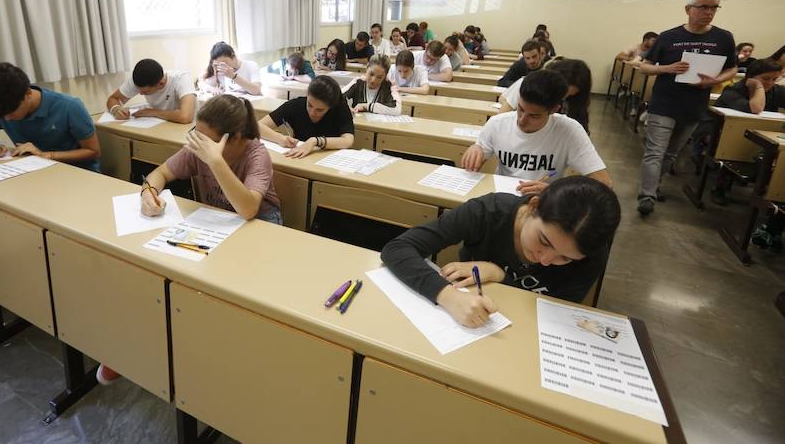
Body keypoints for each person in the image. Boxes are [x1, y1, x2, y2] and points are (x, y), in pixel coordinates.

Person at [97, 94, 281, 386]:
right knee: (156, 271)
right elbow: (161, 173)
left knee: (212, 293)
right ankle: (130, 347)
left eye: (204, 140)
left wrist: (215, 161)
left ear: (232, 139)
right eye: (196, 135)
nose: (197, 143)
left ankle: (200, 357)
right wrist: (148, 192)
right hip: (215, 224)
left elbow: (248, 209)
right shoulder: (199, 148)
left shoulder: (256, 154)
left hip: (258, 229)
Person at [380, 176, 621, 327]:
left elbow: (555, 316)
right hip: (459, 318)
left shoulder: (592, 256)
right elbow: (397, 248)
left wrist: (500, 275)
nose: (546, 260)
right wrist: (447, 296)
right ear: (533, 205)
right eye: (544, 240)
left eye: (565, 258)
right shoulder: (488, 212)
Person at [635, 0, 737, 217]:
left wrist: (717, 79)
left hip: (694, 106)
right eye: (703, 7)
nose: (709, 12)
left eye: (713, 8)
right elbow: (644, 66)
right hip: (664, 102)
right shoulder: (669, 36)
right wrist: (667, 68)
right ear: (688, 8)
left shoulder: (723, 37)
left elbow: (733, 68)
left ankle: (652, 186)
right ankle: (647, 195)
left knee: (671, 154)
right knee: (655, 151)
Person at [460, 70, 611, 195]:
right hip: (501, 200)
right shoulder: (497, 123)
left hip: (543, 204)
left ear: (553, 110)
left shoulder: (569, 130)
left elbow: (604, 183)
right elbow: (478, 155)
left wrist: (553, 191)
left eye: (534, 116)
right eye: (520, 109)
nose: (522, 120)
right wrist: (477, 148)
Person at [0, 63, 100, 171]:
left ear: (27, 94)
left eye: (11, 112)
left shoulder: (69, 106)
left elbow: (93, 152)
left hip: (76, 173)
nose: (6, 119)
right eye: (2, 115)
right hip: (30, 172)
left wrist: (47, 155)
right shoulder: (2, 107)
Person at [710, 59, 785, 205]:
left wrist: (762, 83)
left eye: (774, 79)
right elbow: (756, 108)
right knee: (737, 147)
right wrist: (758, 86)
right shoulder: (733, 90)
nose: (770, 83)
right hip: (723, 134)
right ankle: (719, 188)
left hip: (758, 136)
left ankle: (768, 191)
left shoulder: (775, 90)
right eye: (765, 78)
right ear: (750, 77)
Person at [257, 75, 355, 158]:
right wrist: (280, 139)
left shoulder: (340, 107)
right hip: (299, 157)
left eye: (320, 110)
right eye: (310, 105)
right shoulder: (296, 105)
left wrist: (315, 141)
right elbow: (257, 126)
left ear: (331, 106)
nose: (312, 112)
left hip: (330, 157)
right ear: (307, 95)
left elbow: (348, 140)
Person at [498, 57, 592, 132]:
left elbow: (581, 131)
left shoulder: (576, 103)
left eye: (568, 95)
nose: (561, 98)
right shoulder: (529, 84)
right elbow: (500, 119)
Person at [105, 58, 196, 124]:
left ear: (160, 84)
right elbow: (113, 98)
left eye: (145, 92)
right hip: (159, 123)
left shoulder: (182, 79)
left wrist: (153, 112)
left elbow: (186, 116)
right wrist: (116, 109)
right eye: (138, 90)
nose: (140, 93)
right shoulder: (139, 79)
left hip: (186, 127)